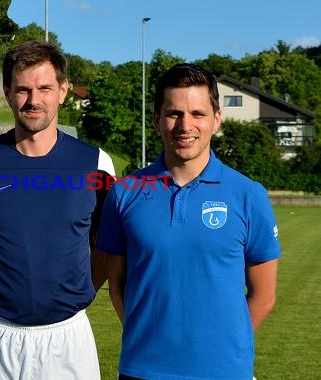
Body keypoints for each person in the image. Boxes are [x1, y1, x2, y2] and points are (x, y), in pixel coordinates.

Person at [97, 63, 280, 380]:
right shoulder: (124, 193)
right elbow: (118, 289)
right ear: (157, 120)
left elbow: (264, 295)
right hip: (142, 371)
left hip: (225, 373)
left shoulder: (249, 195)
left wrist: (224, 349)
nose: (185, 125)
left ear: (216, 120)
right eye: (174, 113)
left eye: (197, 114)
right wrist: (151, 343)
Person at [0, 41, 115, 380]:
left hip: (67, 338)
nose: (34, 100)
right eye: (23, 89)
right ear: (7, 92)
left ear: (63, 91)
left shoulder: (96, 164)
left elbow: (104, 247)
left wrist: (73, 293)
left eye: (45, 88)